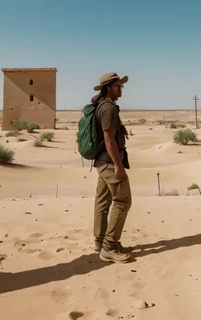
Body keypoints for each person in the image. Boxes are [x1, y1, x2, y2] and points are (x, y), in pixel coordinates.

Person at [91, 72, 132, 263]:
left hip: (102, 161)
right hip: (109, 162)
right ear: (109, 87)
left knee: (102, 201)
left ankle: (99, 242)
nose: (121, 89)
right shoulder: (107, 108)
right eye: (118, 86)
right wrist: (118, 165)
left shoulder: (103, 106)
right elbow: (109, 139)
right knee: (123, 201)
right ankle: (109, 246)